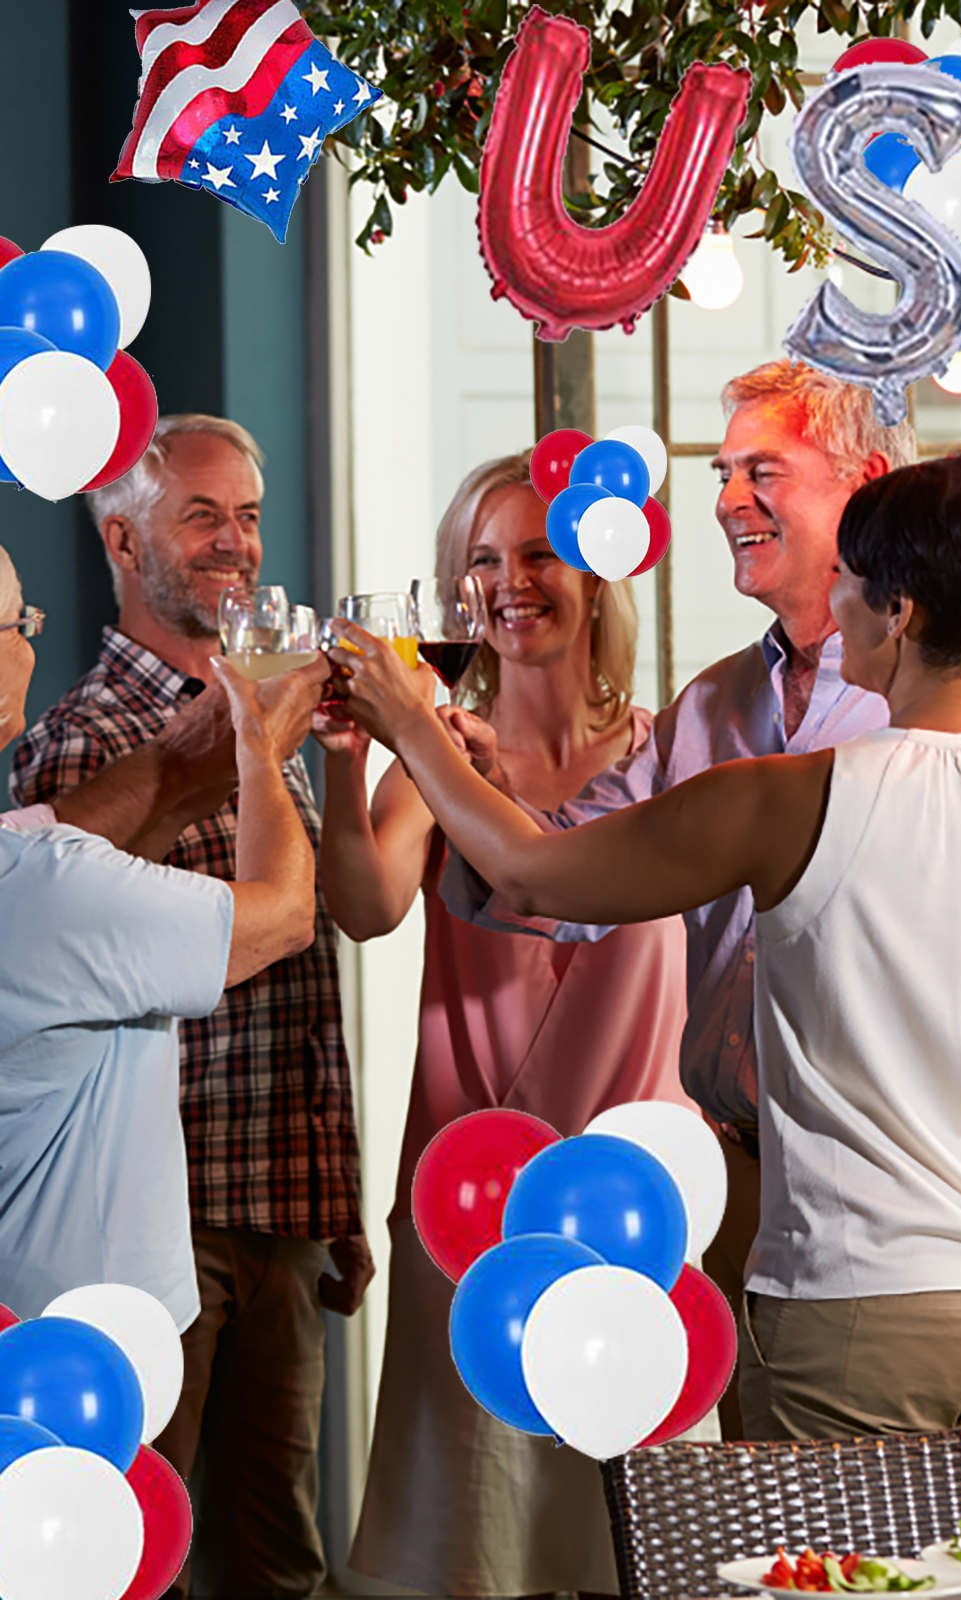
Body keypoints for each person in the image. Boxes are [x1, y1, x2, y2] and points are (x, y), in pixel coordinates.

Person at [333, 451, 961, 1503]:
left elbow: (531, 870)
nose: (829, 608)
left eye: (847, 584)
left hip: (863, 1308)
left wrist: (408, 722)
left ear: (898, 612)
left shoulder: (789, 798)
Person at [439, 362, 961, 1435]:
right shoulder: (711, 707)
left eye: (763, 472)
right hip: (755, 1184)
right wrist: (469, 783)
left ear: (865, 486)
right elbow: (561, 880)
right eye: (722, 472)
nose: (726, 498)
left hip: (936, 1209)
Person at [320, 455, 692, 1599]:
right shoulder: (436, 760)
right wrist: (347, 767)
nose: (509, 581)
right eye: (482, 559)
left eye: (538, 554)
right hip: (469, 1199)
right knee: (469, 1551)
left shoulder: (667, 750)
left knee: (630, 1542)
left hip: (633, 1205)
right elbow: (368, 906)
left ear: (597, 574)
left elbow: (560, 884)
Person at [9, 415, 367, 1599]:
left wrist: (339, 1193)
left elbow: (322, 952)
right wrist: (255, 753)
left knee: (277, 1560)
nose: (237, 544)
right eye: (202, 515)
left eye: (250, 516)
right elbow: (262, 924)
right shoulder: (80, 745)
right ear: (121, 537)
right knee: (128, 1544)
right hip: (160, 1229)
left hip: (280, 1200)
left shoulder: (260, 720)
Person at [0, 542, 324, 1328]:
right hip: (90, 1341)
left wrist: (206, 746)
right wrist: (260, 749)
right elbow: (283, 916)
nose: (28, 643)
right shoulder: (38, 879)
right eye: (18, 624)